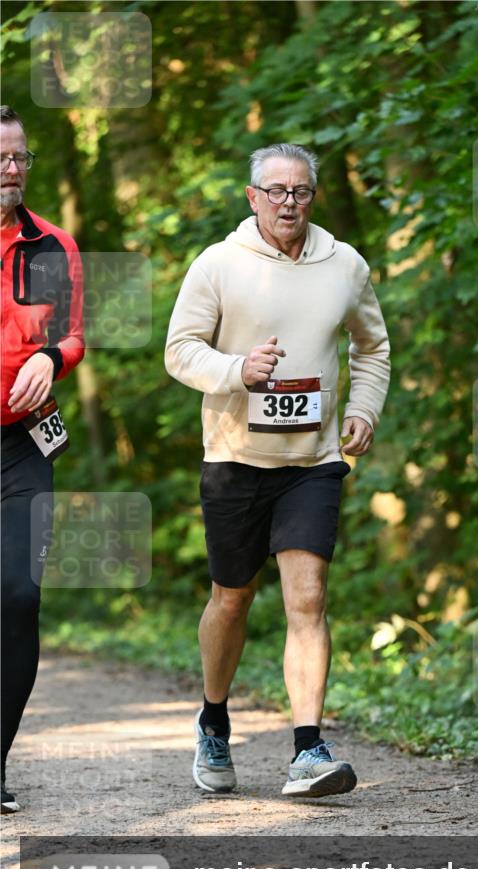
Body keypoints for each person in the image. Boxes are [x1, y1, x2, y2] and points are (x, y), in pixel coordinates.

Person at [165, 143, 390, 798]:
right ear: (252, 196)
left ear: (312, 197)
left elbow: (371, 346)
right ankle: (212, 720)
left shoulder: (344, 264)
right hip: (235, 458)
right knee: (232, 597)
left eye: (300, 192)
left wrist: (364, 409)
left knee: (309, 595)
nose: (288, 203)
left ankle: (307, 749)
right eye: (276, 191)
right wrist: (238, 371)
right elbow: (179, 351)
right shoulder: (218, 265)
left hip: (312, 461)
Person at [0, 106, 85, 814]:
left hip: (24, 441)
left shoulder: (54, 245)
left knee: (20, 597)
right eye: (2, 157)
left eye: (21, 157)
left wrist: (53, 358)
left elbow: (76, 335)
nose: (13, 169)